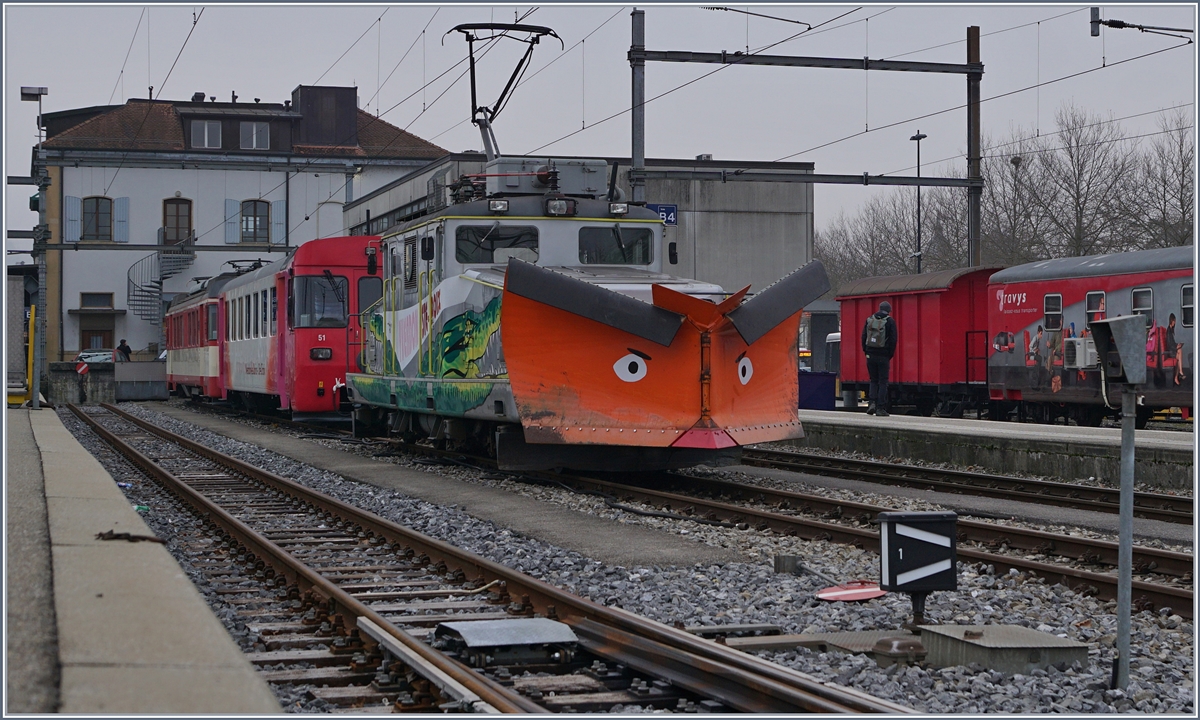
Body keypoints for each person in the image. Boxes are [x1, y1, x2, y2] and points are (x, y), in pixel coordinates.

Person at [861, 300, 897, 416]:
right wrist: (889, 354)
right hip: (883, 356)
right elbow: (893, 340)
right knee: (883, 381)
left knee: (873, 380)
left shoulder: (870, 320)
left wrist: (866, 351)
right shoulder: (890, 321)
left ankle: (871, 403)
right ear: (888, 311)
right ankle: (880, 408)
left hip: (870, 355)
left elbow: (863, 337)